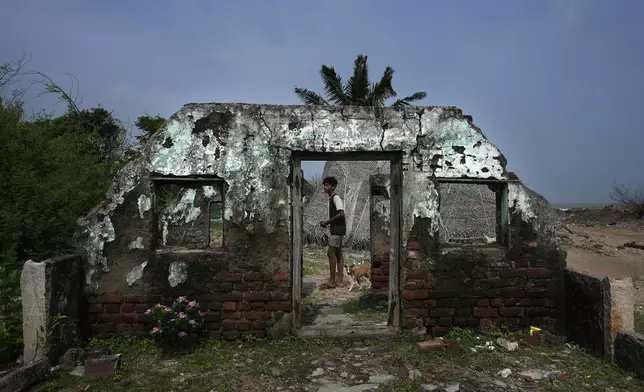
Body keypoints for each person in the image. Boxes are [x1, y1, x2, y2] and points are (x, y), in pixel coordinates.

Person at [319, 176, 347, 289]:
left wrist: (327, 222)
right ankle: (339, 280)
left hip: (338, 230)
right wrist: (327, 222)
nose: (325, 187)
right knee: (338, 254)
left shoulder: (336, 198)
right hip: (337, 229)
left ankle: (332, 280)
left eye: (327, 185)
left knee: (330, 253)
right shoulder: (331, 199)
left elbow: (341, 214)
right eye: (324, 185)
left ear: (333, 186)